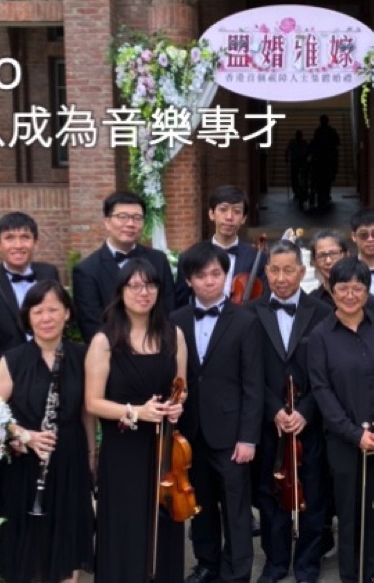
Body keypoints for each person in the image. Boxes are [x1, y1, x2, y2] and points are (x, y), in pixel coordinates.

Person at [84, 258, 188, 582]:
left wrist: (176, 406)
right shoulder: (104, 341)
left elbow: (181, 388)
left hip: (165, 450)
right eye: (135, 286)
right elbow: (92, 402)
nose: (144, 292)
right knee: (126, 525)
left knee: (164, 523)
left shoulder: (174, 335)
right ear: (121, 291)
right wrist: (136, 412)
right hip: (124, 449)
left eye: (151, 285)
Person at [0, 280, 95, 582]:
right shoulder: (12, 360)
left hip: (70, 456)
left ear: (67, 314)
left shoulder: (83, 356)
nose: (46, 318)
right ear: (28, 317)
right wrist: (25, 436)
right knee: (27, 541)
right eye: (38, 311)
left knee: (68, 534)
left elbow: (87, 412)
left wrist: (91, 454)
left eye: (53, 310)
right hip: (23, 460)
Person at [306, 257, 374, 583]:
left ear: (367, 290)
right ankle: (351, 577)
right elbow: (322, 392)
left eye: (358, 288)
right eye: (343, 288)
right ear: (331, 290)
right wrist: (353, 434)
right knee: (348, 516)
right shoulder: (320, 335)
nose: (350, 295)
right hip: (343, 441)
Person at [171, 242, 264, 583]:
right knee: (201, 504)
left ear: (225, 276)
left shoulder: (245, 321)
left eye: (216, 274)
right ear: (188, 281)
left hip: (231, 432)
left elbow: (253, 384)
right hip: (191, 431)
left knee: (236, 508)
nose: (209, 281)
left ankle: (238, 572)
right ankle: (207, 563)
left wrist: (248, 438)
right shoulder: (175, 320)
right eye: (201, 276)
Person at [249, 240, 332, 583]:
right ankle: (276, 562)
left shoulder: (323, 312)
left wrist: (306, 411)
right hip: (269, 423)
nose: (281, 278)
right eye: (274, 270)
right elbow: (249, 372)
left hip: (309, 422)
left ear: (302, 271)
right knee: (270, 496)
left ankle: (308, 564)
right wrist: (274, 410)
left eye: (288, 270)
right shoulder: (249, 313)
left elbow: (327, 372)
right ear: (266, 272)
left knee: (314, 494)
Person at [0, 211, 60, 386]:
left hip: (53, 371)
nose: (18, 245)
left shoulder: (49, 273)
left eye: (25, 237)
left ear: (36, 242)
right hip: (8, 378)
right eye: (9, 238)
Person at [73, 191, 177, 339]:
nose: (130, 224)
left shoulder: (158, 260)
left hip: (156, 345)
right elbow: (90, 325)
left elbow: (169, 310)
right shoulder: (87, 270)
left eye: (137, 218)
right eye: (122, 217)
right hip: (109, 349)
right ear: (107, 222)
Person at [175, 185, 267, 307]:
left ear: (243, 219)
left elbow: (263, 302)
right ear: (211, 214)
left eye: (237, 211)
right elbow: (181, 304)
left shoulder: (257, 257)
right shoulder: (189, 257)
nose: (229, 217)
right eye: (223, 210)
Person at [308, 114, 339, 208]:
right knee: (326, 179)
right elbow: (337, 142)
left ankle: (323, 194)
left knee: (322, 179)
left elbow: (314, 143)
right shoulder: (330, 131)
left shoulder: (319, 131)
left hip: (322, 159)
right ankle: (325, 194)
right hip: (326, 159)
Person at [285, 130, 310, 206]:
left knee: (302, 176)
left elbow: (308, 151)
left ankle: (302, 190)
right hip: (296, 162)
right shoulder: (294, 142)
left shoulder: (303, 142)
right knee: (295, 177)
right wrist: (286, 157)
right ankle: (297, 191)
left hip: (302, 162)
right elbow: (287, 150)